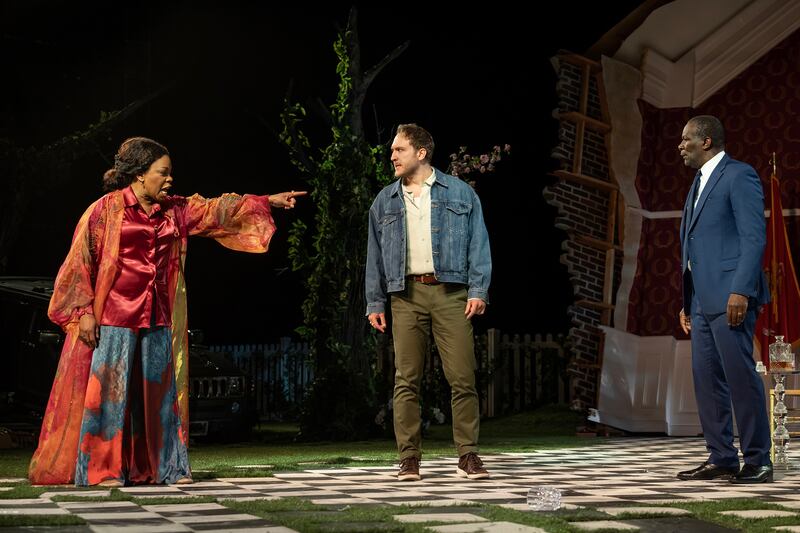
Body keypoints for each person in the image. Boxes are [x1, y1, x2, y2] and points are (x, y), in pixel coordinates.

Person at [29, 137, 306, 486]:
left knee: (159, 400)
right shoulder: (105, 210)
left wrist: (267, 201)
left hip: (157, 316)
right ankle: (102, 471)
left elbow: (217, 210)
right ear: (140, 174)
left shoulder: (174, 210)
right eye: (163, 172)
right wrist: (84, 312)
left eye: (170, 173)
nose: (170, 179)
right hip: (113, 319)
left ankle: (166, 468)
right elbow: (78, 265)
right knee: (109, 397)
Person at [365, 124, 491, 481]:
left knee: (462, 377)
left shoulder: (461, 194)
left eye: (399, 150)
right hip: (405, 295)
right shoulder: (384, 200)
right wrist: (375, 301)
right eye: (392, 150)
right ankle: (409, 458)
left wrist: (478, 290)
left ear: (421, 153)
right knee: (406, 379)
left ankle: (468, 455)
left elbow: (478, 244)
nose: (392, 156)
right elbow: (374, 256)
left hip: (451, 293)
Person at [676, 115, 772, 484]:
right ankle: (721, 457)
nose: (680, 146)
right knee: (706, 379)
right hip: (701, 300)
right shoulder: (697, 183)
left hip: (732, 296)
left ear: (707, 140)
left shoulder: (738, 175)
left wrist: (741, 290)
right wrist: (688, 299)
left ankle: (758, 459)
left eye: (686, 140)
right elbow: (695, 246)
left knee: (739, 377)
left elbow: (753, 238)